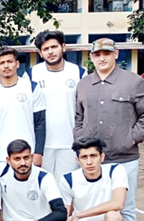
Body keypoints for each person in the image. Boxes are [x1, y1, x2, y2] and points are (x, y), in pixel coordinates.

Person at [75, 38, 144, 221]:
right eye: (97, 54)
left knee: (124, 207)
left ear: (116, 54)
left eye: (107, 53)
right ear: (92, 57)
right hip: (93, 159)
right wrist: (80, 138)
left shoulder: (133, 82)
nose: (102, 58)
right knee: (91, 205)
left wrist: (131, 138)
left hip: (124, 157)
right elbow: (78, 117)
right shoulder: (84, 84)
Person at [29, 30, 85, 179]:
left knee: (67, 190)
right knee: (42, 191)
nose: (51, 52)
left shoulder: (79, 73)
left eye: (54, 47)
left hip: (70, 144)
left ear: (63, 47)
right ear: (40, 53)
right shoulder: (31, 74)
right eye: (46, 49)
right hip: (41, 147)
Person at [0, 47, 45, 173]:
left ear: (17, 64)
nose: (6, 66)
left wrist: (38, 152)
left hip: (27, 154)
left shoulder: (32, 87)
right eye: (2, 63)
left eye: (9, 62)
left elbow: (40, 123)